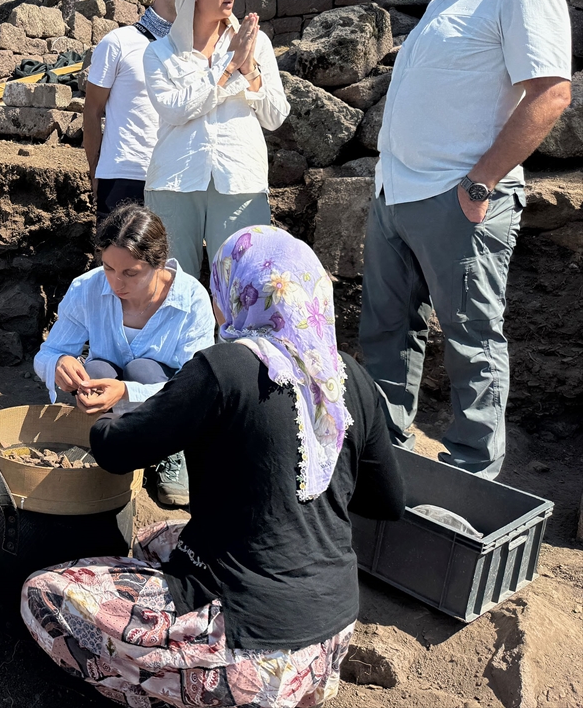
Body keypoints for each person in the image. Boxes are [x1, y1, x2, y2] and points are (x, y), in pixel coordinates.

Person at [22, 226, 405, 708]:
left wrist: (97, 421)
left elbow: (117, 450)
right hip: (326, 645)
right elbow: (386, 501)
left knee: (44, 594)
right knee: (156, 539)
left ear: (237, 289)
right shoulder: (349, 376)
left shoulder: (224, 369)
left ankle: (181, 692)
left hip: (252, 651)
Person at [360, 0, 572, 480]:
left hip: (459, 199)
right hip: (397, 197)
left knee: (471, 342)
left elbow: (550, 93)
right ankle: (381, 464)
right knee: (385, 338)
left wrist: (480, 182)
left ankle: (471, 478)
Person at [33, 204, 214, 507]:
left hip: (167, 404)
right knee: (97, 368)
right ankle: (104, 442)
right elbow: (48, 352)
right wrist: (58, 364)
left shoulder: (192, 300)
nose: (116, 282)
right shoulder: (87, 288)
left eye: (131, 272)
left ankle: (171, 453)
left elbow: (197, 386)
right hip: (108, 395)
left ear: (158, 263)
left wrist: (126, 392)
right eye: (108, 268)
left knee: (144, 369)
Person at [142, 0, 290, 280]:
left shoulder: (257, 44)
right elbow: (175, 110)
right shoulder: (158, 53)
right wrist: (228, 68)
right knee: (172, 288)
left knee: (243, 287)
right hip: (174, 182)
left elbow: (275, 115)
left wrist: (249, 68)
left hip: (241, 180)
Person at [84, 0, 177, 222]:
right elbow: (92, 109)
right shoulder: (118, 42)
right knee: (115, 262)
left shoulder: (191, 48)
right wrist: (95, 171)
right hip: (124, 174)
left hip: (175, 179)